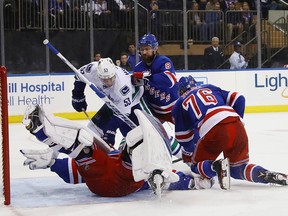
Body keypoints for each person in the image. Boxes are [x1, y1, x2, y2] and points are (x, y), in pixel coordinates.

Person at [21, 104, 213, 197]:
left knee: (83, 150)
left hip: (103, 184)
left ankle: (40, 131)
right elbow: (175, 180)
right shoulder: (134, 162)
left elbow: (73, 174)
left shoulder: (113, 156)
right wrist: (197, 182)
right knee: (83, 147)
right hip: (122, 182)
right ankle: (40, 131)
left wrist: (54, 164)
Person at [171, 75, 288, 190]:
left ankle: (215, 166)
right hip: (235, 121)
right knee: (237, 169)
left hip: (213, 129)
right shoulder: (209, 87)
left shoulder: (179, 103)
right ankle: (267, 175)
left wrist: (189, 157)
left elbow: (184, 138)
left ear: (180, 91)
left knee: (196, 167)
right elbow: (239, 98)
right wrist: (239, 120)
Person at [72, 57, 143, 146]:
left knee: (134, 139)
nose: (109, 83)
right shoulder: (92, 70)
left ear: (114, 74)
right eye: (104, 79)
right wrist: (77, 95)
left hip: (131, 103)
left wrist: (111, 130)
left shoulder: (122, 86)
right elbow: (79, 75)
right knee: (90, 133)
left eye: (111, 78)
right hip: (112, 103)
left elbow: (123, 113)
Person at [131, 33, 182, 157]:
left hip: (172, 108)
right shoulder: (138, 67)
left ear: (155, 48)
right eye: (142, 49)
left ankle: (196, 158)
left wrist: (147, 76)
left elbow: (169, 81)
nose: (144, 52)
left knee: (187, 132)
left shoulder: (164, 61)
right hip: (154, 112)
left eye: (147, 49)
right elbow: (136, 89)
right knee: (142, 132)